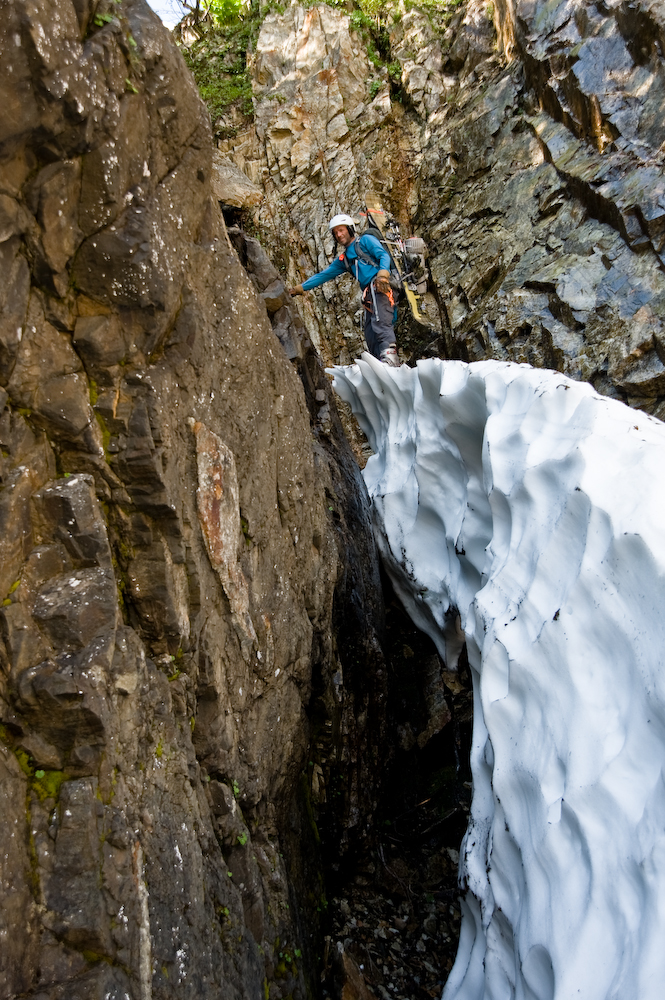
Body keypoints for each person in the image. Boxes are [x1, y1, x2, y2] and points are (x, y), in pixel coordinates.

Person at [289, 214, 400, 366]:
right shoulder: (345, 259)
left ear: (350, 229)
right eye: (335, 233)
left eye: (341, 230)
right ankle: (381, 363)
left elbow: (383, 256)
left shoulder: (365, 241)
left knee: (380, 322)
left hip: (380, 286)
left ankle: (390, 356)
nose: (339, 235)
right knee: (370, 332)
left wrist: (382, 275)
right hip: (369, 294)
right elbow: (324, 275)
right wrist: (299, 288)